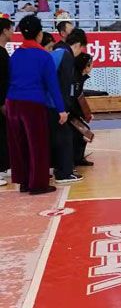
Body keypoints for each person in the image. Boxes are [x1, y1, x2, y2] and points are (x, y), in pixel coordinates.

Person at [5, 15, 67, 194]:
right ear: (39, 34)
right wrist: (61, 109)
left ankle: (24, 182)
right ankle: (38, 184)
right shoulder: (44, 56)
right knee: (37, 144)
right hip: (32, 104)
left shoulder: (15, 54)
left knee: (19, 145)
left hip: (12, 103)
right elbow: (52, 85)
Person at [49, 28, 88, 184]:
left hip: (47, 102)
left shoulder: (56, 52)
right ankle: (64, 173)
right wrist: (64, 109)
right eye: (82, 49)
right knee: (64, 137)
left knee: (57, 137)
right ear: (77, 44)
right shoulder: (66, 56)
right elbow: (64, 86)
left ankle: (58, 168)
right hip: (55, 104)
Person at [71, 53, 94, 166]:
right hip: (68, 113)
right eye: (91, 64)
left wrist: (86, 114)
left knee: (85, 131)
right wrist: (82, 115)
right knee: (82, 132)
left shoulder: (80, 77)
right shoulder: (74, 79)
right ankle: (73, 160)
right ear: (86, 66)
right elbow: (72, 100)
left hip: (73, 112)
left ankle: (78, 158)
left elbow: (79, 98)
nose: (92, 66)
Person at [0, 17, 13, 185]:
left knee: (4, 135)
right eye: (11, 28)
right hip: (1, 102)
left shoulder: (4, 52)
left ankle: (4, 166)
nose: (13, 32)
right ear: (4, 31)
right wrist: (2, 103)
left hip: (5, 100)